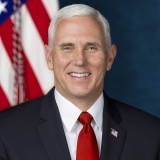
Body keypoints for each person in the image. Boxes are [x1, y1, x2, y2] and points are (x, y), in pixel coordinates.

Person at [0, 4, 160, 160]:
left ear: (110, 57)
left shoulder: (151, 135)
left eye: (91, 48)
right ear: (49, 57)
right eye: (67, 48)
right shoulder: (6, 133)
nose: (80, 60)